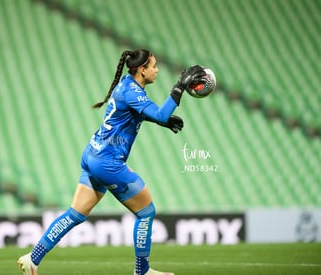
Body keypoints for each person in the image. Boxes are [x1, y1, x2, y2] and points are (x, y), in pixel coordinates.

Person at [17, 49, 206, 275]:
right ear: (142, 70)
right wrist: (180, 86)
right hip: (107, 162)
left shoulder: (128, 85)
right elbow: (159, 113)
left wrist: (162, 122)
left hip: (92, 155)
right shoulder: (132, 91)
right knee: (146, 212)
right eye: (153, 66)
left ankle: (33, 258)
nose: (157, 70)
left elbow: (142, 113)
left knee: (75, 214)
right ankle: (142, 271)